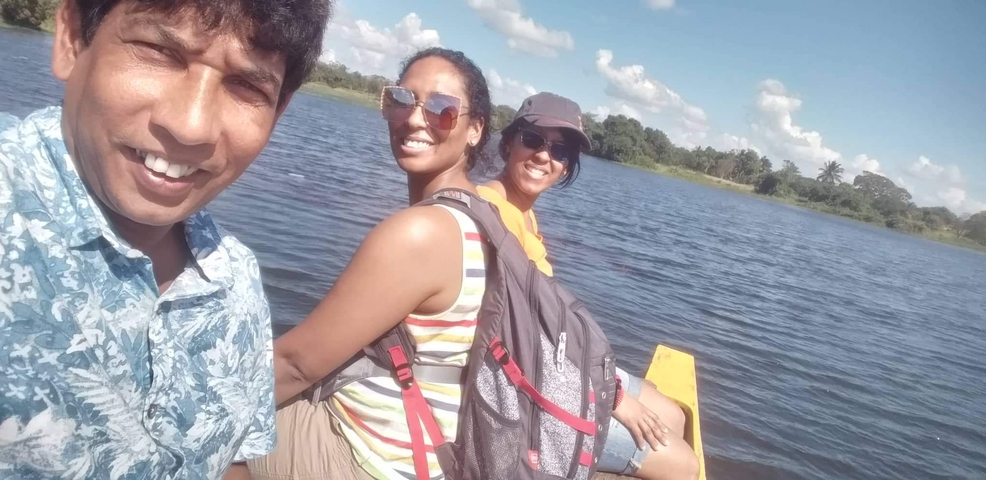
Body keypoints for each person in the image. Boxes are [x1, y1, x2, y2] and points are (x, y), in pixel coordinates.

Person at [0, 0, 330, 478]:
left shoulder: (234, 278)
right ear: (72, 38)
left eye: (245, 85)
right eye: (158, 51)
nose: (191, 124)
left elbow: (231, 458)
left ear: (277, 113)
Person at [248, 47, 492, 480]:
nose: (415, 119)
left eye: (442, 108)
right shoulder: (485, 218)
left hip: (369, 458)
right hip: (431, 452)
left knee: (213, 435)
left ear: (474, 130)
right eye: (401, 99)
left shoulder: (423, 231)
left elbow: (296, 364)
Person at [478, 92, 700, 480]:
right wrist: (612, 397)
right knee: (683, 464)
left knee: (671, 413)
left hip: (555, 360)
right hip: (515, 387)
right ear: (509, 141)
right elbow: (515, 339)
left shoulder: (522, 213)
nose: (545, 156)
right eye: (533, 140)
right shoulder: (491, 214)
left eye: (560, 150)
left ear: (566, 166)